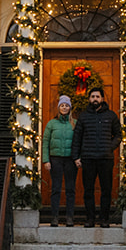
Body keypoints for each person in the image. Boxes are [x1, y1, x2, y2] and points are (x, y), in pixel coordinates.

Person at [72, 87, 121, 228]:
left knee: (106, 190)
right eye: (92, 96)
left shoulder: (111, 116)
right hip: (88, 158)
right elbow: (77, 138)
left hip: (106, 159)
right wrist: (76, 157)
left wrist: (109, 147)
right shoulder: (83, 116)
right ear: (89, 99)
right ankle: (90, 219)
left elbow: (118, 135)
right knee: (88, 190)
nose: (95, 99)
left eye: (97, 96)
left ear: (102, 99)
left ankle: (104, 219)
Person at [41, 94, 78, 226]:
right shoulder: (52, 124)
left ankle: (69, 217)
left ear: (70, 108)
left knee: (70, 189)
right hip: (55, 159)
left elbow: (79, 142)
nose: (64, 107)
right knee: (56, 188)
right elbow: (45, 142)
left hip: (70, 160)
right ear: (58, 108)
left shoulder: (74, 124)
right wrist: (46, 160)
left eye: (66, 105)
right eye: (62, 105)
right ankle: (55, 217)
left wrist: (78, 158)